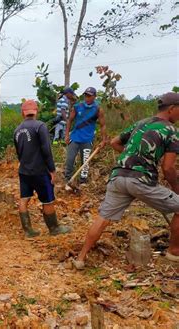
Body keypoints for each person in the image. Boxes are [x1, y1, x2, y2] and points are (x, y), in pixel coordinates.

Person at [73, 92, 179, 269]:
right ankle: (174, 252)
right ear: (172, 109)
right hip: (141, 181)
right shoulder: (171, 130)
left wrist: (131, 158)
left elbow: (115, 142)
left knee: (103, 217)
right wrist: (176, 187)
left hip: (118, 177)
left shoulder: (141, 123)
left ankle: (81, 258)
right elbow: (168, 168)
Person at [14, 100, 71, 237]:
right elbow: (46, 150)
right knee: (48, 199)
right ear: (36, 111)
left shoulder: (17, 130)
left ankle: (28, 231)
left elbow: (18, 152)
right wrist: (52, 170)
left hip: (24, 171)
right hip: (40, 171)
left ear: (23, 113)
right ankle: (54, 228)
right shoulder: (40, 126)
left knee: (24, 198)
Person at [65, 87, 107, 187]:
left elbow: (103, 125)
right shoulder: (77, 107)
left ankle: (83, 181)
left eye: (89, 96)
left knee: (85, 162)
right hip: (75, 138)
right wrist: (67, 135)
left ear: (94, 96)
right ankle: (68, 179)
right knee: (70, 160)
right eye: (86, 95)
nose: (87, 98)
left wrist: (104, 140)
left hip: (88, 139)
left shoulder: (98, 109)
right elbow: (69, 120)